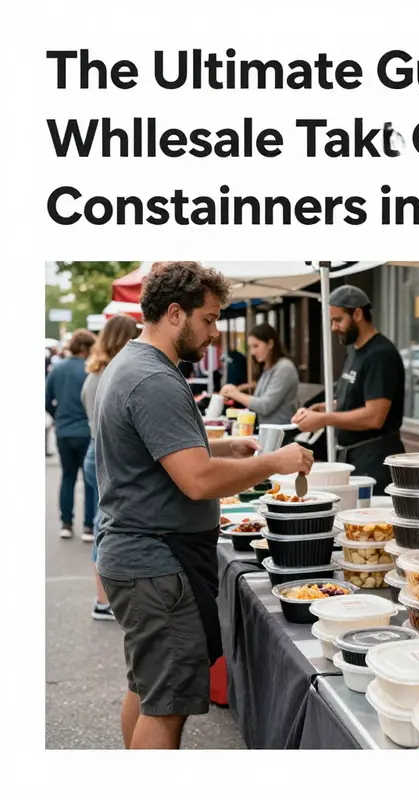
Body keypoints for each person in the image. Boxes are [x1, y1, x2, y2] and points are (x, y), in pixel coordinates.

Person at [94, 261, 313, 749]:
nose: (214, 333)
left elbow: (166, 455)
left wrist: (222, 449)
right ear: (175, 313)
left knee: (149, 690)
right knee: (167, 709)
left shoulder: (133, 363)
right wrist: (275, 461)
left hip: (140, 557)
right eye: (209, 318)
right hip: (155, 562)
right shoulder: (152, 378)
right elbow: (196, 481)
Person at [292, 285, 405, 494]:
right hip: (354, 458)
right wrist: (326, 407)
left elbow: (374, 416)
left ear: (358, 314)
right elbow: (357, 400)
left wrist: (325, 418)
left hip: (375, 461)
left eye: (338, 320)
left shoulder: (380, 354)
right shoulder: (354, 352)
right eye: (332, 321)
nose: (334, 327)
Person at [81, 314, 140, 620]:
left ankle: (103, 598)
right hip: (105, 453)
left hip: (95, 452)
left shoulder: (94, 372)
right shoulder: (114, 373)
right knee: (105, 526)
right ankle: (104, 601)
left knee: (100, 523)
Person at [46, 328, 97, 539]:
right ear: (86, 348)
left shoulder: (57, 370)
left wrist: (58, 416)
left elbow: (46, 400)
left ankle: (66, 523)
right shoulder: (90, 370)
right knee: (89, 481)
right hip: (86, 431)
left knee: (67, 478)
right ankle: (88, 526)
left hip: (64, 431)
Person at [219, 323, 299, 426]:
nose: (252, 352)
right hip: (268, 431)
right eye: (250, 347)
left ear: (270, 344)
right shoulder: (268, 367)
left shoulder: (285, 368)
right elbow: (258, 402)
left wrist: (235, 394)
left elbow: (264, 406)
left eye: (256, 346)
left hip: (282, 434)